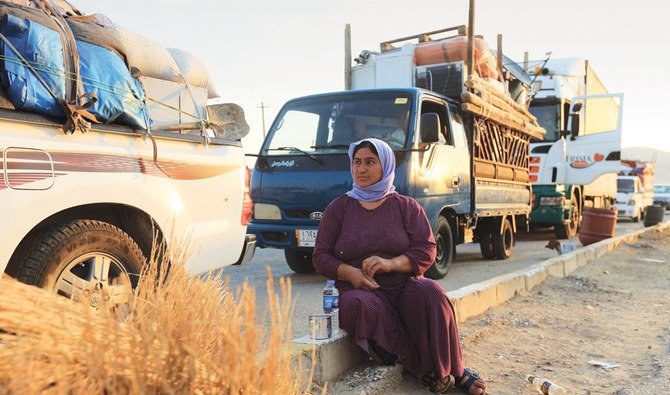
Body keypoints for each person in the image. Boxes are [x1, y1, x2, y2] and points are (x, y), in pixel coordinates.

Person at [312, 138, 487, 394]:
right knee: (359, 306)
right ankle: (424, 369)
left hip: (404, 285)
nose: (361, 169)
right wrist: (352, 273)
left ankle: (455, 369)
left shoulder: (405, 206)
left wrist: (390, 263)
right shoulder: (338, 209)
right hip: (361, 290)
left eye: (370, 162)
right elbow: (321, 256)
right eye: (357, 162)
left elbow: (427, 250)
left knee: (431, 293)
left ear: (385, 165)